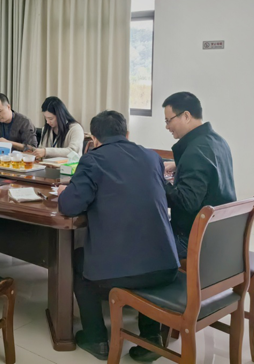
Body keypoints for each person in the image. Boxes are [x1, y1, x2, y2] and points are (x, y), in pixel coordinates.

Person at [57, 110, 179, 361]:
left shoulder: (93, 159)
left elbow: (69, 206)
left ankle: (97, 339)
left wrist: (65, 191)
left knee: (78, 259)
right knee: (144, 252)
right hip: (166, 264)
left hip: (119, 274)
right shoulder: (152, 157)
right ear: (127, 133)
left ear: (94, 138)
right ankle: (151, 338)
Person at [161, 92, 236, 259]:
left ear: (186, 116)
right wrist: (179, 165)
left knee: (139, 239)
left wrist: (158, 180)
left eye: (168, 120)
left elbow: (186, 202)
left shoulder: (195, 152)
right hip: (219, 233)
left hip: (194, 240)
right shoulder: (217, 141)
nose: (167, 126)